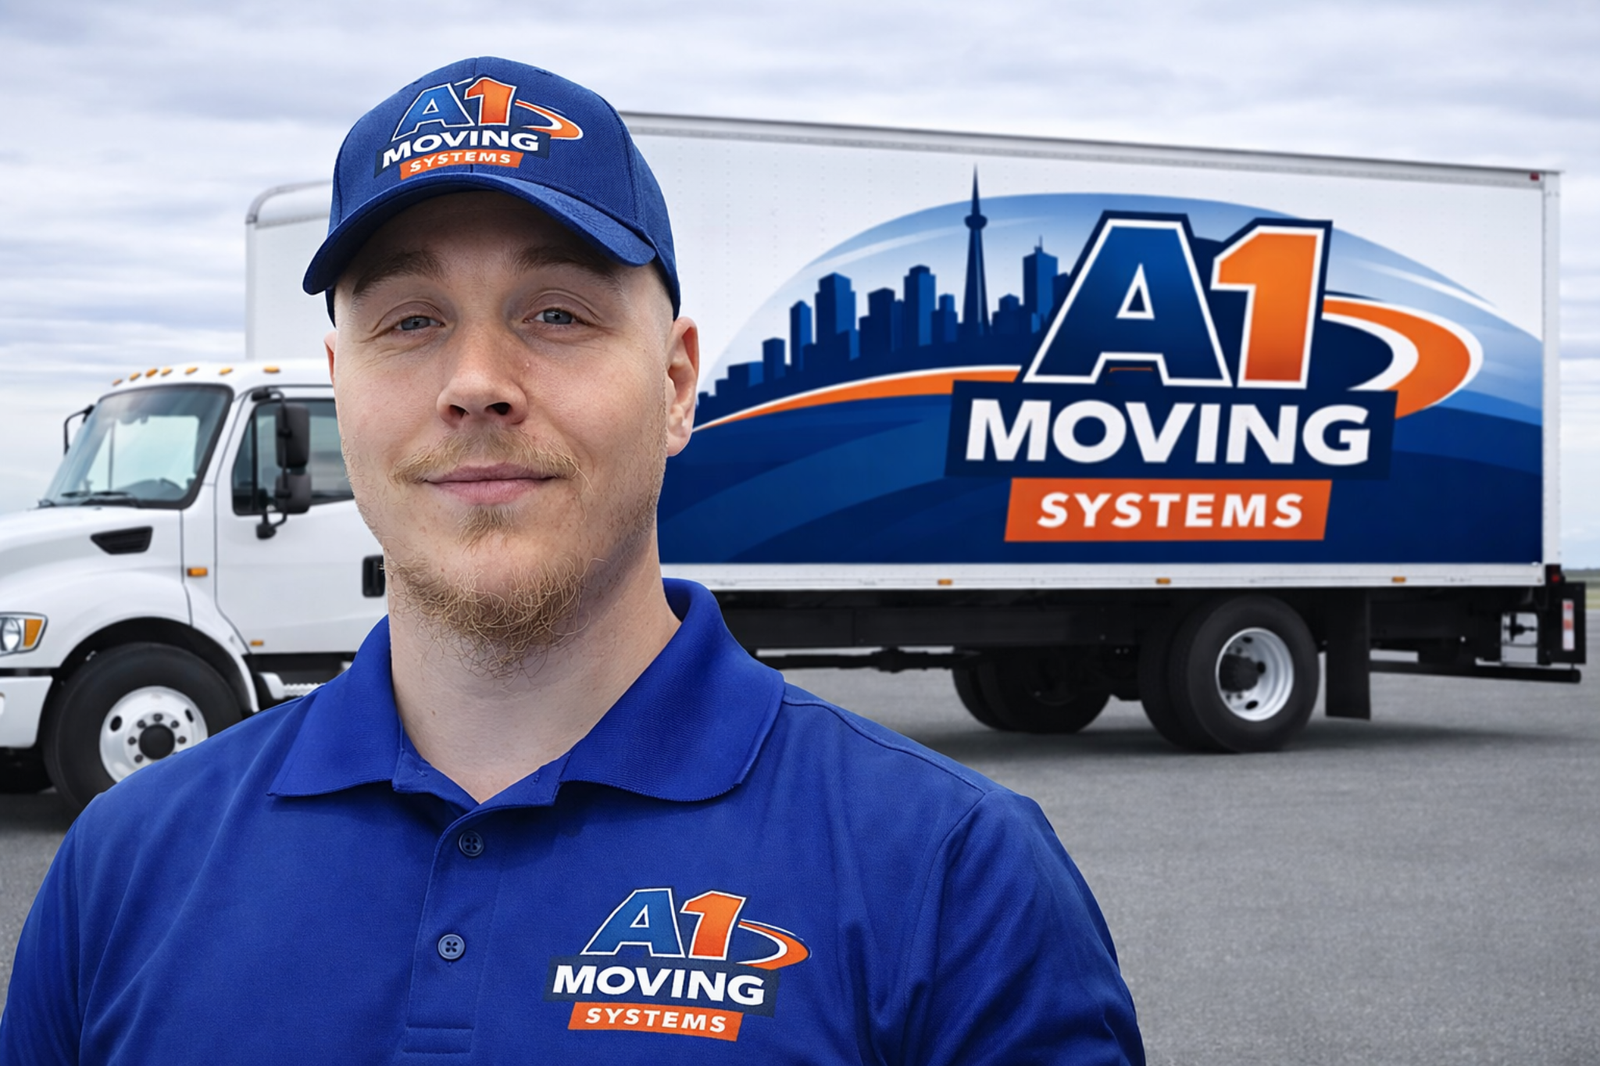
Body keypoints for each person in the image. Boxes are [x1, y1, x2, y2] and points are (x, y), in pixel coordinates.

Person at [0, 58, 1143, 1064]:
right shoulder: (125, 869)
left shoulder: (952, 878)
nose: (476, 379)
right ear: (339, 387)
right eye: (410, 320)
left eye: (555, 313)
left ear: (678, 383)